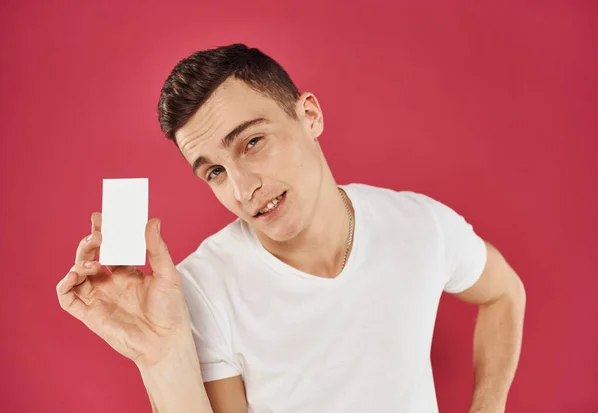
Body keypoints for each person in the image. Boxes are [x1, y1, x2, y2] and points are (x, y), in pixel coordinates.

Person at [56, 44, 526, 413]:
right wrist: (160, 359)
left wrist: (488, 406)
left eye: (252, 142)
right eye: (214, 172)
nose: (242, 188)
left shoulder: (420, 225)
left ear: (310, 116)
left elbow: (505, 293)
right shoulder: (199, 287)